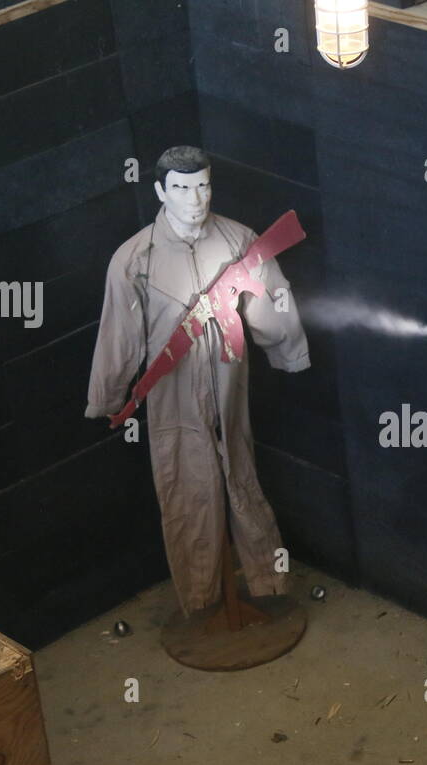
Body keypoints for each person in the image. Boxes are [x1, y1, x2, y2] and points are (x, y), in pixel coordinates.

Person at [85, 146, 310, 614]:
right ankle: (204, 604)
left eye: (203, 185)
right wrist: (108, 397)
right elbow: (119, 335)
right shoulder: (133, 260)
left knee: (240, 474)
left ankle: (267, 584)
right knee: (186, 488)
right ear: (160, 192)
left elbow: (273, 300)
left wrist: (288, 352)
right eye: (183, 189)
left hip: (231, 380)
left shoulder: (238, 240)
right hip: (172, 392)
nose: (195, 199)